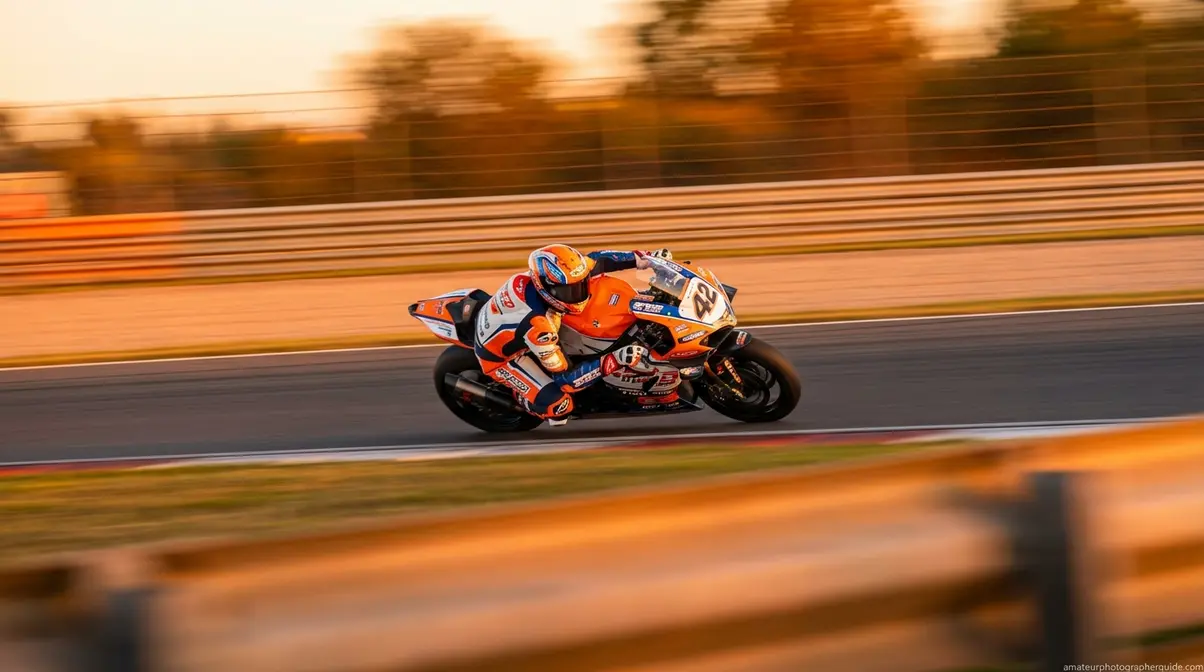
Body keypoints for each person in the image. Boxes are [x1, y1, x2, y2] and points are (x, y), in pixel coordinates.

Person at [474, 244, 672, 424]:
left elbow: (599, 259)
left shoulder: (556, 277)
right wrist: (613, 359)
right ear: (546, 287)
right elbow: (566, 379)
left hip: (511, 324)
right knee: (560, 406)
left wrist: (645, 258)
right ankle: (522, 398)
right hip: (501, 357)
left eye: (581, 284)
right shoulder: (540, 327)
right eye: (569, 291)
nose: (578, 294)